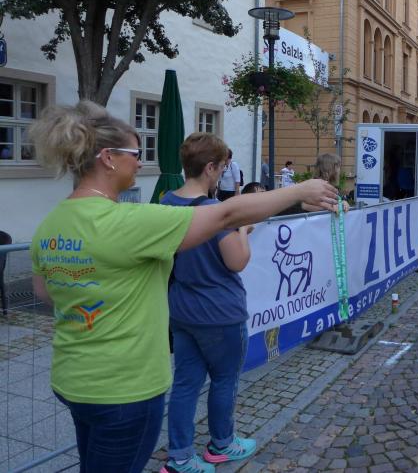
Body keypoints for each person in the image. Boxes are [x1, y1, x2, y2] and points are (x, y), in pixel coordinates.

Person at [27, 101, 338, 473]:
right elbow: (226, 214)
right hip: (125, 387)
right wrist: (298, 190)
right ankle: (219, 444)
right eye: (135, 154)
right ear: (108, 158)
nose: (140, 163)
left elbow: (45, 293)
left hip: (73, 379)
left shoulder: (51, 222)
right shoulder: (128, 220)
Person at [161, 133, 258, 472]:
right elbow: (237, 261)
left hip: (182, 308)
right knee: (224, 380)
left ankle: (180, 456)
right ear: (210, 168)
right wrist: (242, 229)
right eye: (222, 168)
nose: (223, 175)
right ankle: (222, 444)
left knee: (185, 384)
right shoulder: (215, 212)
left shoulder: (166, 202)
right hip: (220, 311)